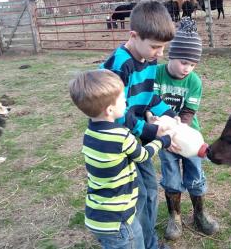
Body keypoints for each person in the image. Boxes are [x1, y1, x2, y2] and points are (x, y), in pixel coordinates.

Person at [99, 0, 177, 249]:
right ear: (134, 36)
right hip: (119, 142)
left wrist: (168, 113)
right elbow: (118, 115)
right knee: (139, 195)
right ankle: (141, 243)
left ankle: (149, 240)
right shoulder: (120, 65)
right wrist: (153, 131)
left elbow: (147, 95)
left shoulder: (148, 58)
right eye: (156, 47)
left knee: (150, 190)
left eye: (163, 47)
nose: (160, 53)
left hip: (137, 137)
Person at [68, 69, 173, 249]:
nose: (126, 100)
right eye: (122, 98)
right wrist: (162, 141)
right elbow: (143, 155)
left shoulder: (90, 133)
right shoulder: (121, 135)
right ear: (110, 109)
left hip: (98, 216)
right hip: (121, 219)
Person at [153, 17, 219, 240]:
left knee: (195, 175)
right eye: (183, 62)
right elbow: (149, 102)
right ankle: (175, 217)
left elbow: (189, 111)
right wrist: (164, 133)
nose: (187, 68)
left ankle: (199, 214)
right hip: (164, 138)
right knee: (171, 178)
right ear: (171, 55)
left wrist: (179, 130)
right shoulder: (156, 74)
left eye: (192, 64)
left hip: (188, 135)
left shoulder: (194, 81)